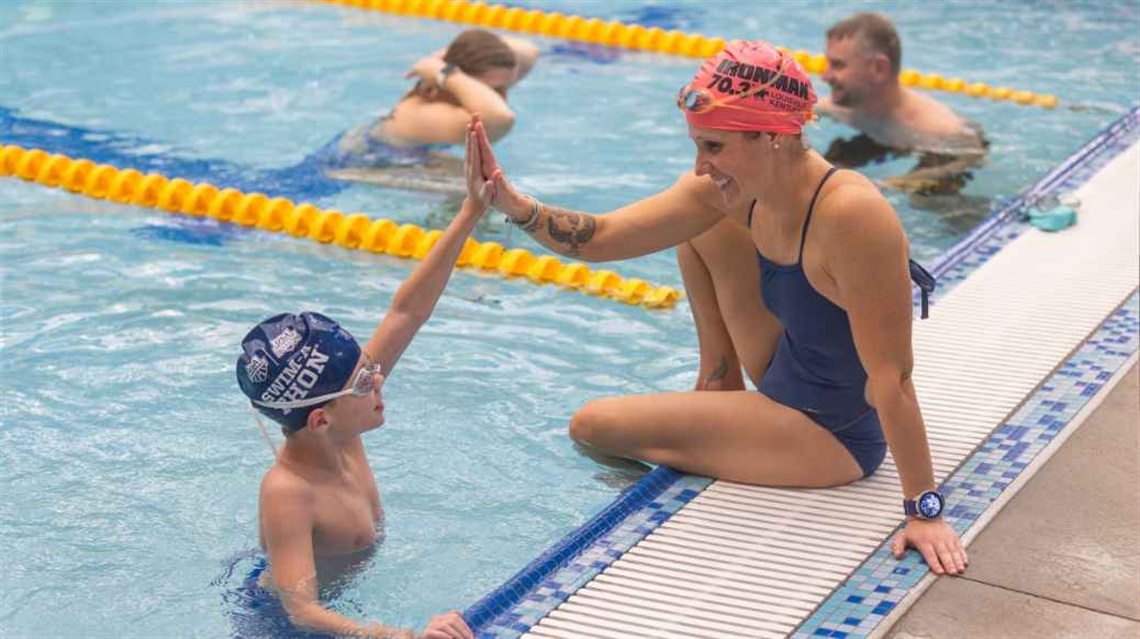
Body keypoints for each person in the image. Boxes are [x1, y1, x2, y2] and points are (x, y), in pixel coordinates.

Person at [474, 41, 968, 576]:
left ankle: (723, 424)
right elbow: (604, 237)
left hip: (832, 431)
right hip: (784, 367)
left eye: (713, 146)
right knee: (701, 221)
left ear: (773, 138)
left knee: (591, 424)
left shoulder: (851, 215)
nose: (701, 165)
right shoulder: (737, 189)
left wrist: (925, 509)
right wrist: (514, 206)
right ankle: (718, 384)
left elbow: (891, 378)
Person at [232, 118, 498, 638]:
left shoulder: (342, 424)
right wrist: (406, 637)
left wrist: (470, 211)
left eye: (369, 372)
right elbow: (303, 611)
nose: (378, 381)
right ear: (318, 418)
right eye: (363, 383)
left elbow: (407, 312)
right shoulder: (288, 492)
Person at [322, 29, 539, 195]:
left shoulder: (453, 91)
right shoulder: (423, 113)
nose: (502, 96)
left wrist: (442, 59)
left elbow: (529, 51)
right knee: (480, 188)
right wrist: (444, 71)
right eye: (491, 90)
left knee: (481, 180)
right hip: (363, 164)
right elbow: (502, 118)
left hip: (408, 154)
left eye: (505, 86)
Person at [817, 12, 987, 196]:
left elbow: (971, 157)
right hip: (880, 139)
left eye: (838, 65)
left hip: (943, 153)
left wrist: (891, 185)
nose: (825, 76)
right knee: (827, 169)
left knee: (925, 198)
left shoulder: (940, 129)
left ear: (879, 68)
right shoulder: (841, 108)